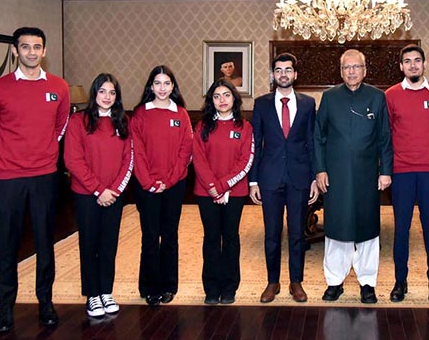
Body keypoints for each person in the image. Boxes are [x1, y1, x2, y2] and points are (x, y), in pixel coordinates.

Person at [0, 26, 70, 333]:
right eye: (25, 47)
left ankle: (46, 303)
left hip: (45, 176)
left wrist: (43, 155)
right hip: (9, 180)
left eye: (37, 47)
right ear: (15, 51)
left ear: (44, 51)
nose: (32, 52)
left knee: (45, 243)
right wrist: (6, 160)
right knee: (8, 244)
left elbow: (60, 127)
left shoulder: (58, 87)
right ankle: (5, 309)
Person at [314, 49, 393, 304]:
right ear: (340, 71)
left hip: (367, 175)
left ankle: (367, 283)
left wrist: (386, 171)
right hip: (334, 176)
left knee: (368, 231)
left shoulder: (378, 98)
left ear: (365, 70)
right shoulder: (329, 97)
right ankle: (334, 282)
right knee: (337, 229)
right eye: (346, 67)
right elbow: (318, 137)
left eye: (356, 67)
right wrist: (319, 170)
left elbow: (385, 138)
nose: (351, 71)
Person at [249, 53, 319, 303]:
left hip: (300, 178)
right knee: (272, 233)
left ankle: (296, 282)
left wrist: (314, 177)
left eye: (288, 70)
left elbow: (312, 143)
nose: (283, 74)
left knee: (298, 234)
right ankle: (272, 282)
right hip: (269, 179)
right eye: (278, 70)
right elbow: (256, 144)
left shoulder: (309, 104)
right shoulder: (262, 104)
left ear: (295, 74)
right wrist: (253, 180)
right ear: (273, 75)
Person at [64, 73, 133, 318]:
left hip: (114, 195)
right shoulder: (77, 121)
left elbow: (128, 159)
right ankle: (92, 294)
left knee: (109, 244)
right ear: (94, 93)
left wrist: (113, 190)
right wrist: (97, 189)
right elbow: (73, 159)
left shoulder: (123, 121)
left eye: (112, 92)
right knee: (89, 243)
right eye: (102, 91)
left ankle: (106, 291)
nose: (107, 96)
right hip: (86, 195)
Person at [385, 44, 429, 303]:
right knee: (401, 230)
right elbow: (386, 134)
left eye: (417, 60)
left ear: (424, 64)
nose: (413, 65)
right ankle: (400, 281)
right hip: (401, 172)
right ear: (401, 66)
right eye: (408, 61)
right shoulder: (390, 95)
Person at [130, 65, 192, 306]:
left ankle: (168, 286)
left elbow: (185, 151)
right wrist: (148, 182)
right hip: (146, 186)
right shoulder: (140, 114)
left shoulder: (181, 114)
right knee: (149, 236)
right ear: (150, 86)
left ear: (173, 87)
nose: (162, 88)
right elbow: (137, 151)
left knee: (169, 236)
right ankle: (149, 287)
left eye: (167, 84)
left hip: (174, 185)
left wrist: (168, 181)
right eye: (158, 83)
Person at [192, 78, 254, 305]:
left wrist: (223, 186)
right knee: (211, 239)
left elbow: (246, 161)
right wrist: (212, 188)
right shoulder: (202, 126)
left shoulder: (244, 127)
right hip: (205, 192)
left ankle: (229, 288)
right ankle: (211, 288)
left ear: (234, 98)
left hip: (234, 193)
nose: (222, 100)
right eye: (216, 96)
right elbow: (198, 160)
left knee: (230, 239)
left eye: (226, 95)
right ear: (211, 100)